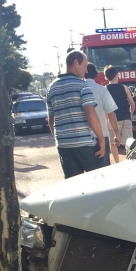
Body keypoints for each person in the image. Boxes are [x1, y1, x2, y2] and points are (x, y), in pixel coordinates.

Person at [46, 50, 105, 179]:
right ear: (76, 63)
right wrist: (101, 139)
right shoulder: (82, 85)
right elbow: (90, 114)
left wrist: (58, 138)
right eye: (85, 66)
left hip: (64, 146)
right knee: (98, 182)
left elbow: (51, 118)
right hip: (84, 144)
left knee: (73, 185)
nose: (86, 71)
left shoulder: (51, 88)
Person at [85, 63, 121, 166]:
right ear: (96, 75)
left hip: (82, 137)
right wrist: (116, 134)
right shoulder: (101, 90)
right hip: (101, 135)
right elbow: (111, 114)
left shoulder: (77, 89)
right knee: (103, 171)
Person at [104, 65, 136, 163]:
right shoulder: (124, 87)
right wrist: (130, 115)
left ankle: (117, 163)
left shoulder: (105, 89)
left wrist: (106, 121)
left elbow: (105, 108)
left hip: (113, 120)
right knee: (128, 143)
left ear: (106, 77)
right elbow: (133, 104)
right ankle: (129, 162)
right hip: (126, 118)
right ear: (116, 75)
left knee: (113, 144)